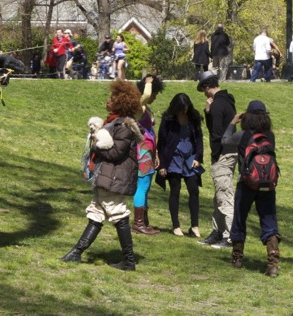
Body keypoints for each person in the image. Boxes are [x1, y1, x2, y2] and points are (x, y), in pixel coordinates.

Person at [60, 81, 143, 270]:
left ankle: (129, 261)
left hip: (113, 177)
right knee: (97, 213)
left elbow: (115, 154)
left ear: (121, 102)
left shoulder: (124, 126)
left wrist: (97, 143)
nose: (108, 101)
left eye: (113, 99)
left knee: (118, 214)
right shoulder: (114, 122)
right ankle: (76, 252)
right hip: (107, 175)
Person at [222, 100, 281, 277]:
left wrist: (233, 122)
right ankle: (273, 263)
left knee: (240, 218)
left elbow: (225, 141)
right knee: (269, 220)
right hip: (267, 185)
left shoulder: (243, 135)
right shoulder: (270, 136)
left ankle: (237, 258)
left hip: (246, 183)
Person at [197, 70, 237, 248]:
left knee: (224, 195)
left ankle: (230, 236)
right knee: (219, 195)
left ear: (207, 87)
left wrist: (215, 154)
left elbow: (217, 133)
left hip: (222, 154)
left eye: (203, 90)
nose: (204, 93)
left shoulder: (218, 104)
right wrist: (207, 112)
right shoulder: (227, 101)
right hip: (229, 152)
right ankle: (217, 231)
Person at [156, 93, 205, 238]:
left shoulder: (193, 118)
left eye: (186, 108)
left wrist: (198, 157)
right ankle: (176, 226)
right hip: (173, 158)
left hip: (189, 158)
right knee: (175, 190)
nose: (184, 112)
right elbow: (162, 142)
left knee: (193, 190)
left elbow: (199, 139)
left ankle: (194, 225)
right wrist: (162, 165)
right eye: (181, 109)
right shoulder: (168, 120)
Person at [132, 75, 165, 235]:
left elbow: (152, 132)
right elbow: (144, 96)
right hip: (142, 152)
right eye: (154, 93)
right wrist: (148, 84)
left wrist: (156, 153)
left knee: (146, 187)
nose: (154, 97)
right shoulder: (139, 106)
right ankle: (138, 223)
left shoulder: (147, 109)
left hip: (149, 152)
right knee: (142, 186)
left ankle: (144, 221)